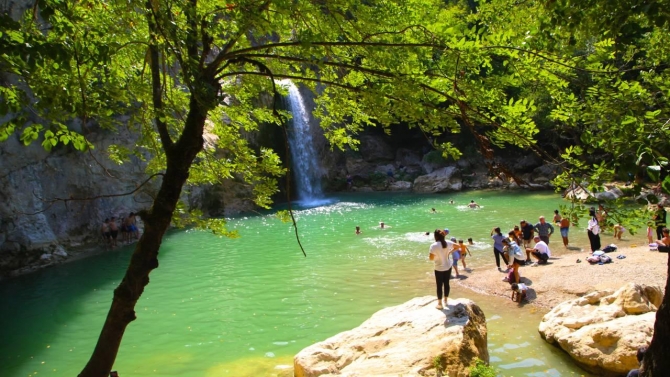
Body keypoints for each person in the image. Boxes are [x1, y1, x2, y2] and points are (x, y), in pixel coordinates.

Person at [428, 229, 456, 310]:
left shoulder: (433, 245)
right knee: (446, 283)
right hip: (448, 266)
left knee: (439, 285)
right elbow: (457, 246)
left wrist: (437, 256)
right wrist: (450, 252)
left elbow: (431, 258)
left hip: (439, 268)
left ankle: (440, 304)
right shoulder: (448, 242)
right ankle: (446, 300)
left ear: (435, 236)